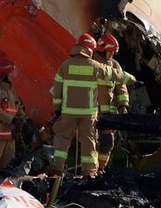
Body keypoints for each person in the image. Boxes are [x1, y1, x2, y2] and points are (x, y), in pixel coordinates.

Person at [49, 34, 106, 179]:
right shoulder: (95, 66)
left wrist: (57, 108)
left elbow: (57, 89)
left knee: (62, 140)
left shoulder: (65, 65)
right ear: (89, 50)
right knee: (89, 142)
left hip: (68, 113)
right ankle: (90, 173)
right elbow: (113, 75)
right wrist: (131, 78)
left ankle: (56, 170)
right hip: (88, 115)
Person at [94, 33, 129, 171]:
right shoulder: (91, 63)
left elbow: (121, 87)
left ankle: (100, 169)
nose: (112, 55)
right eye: (110, 52)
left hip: (108, 114)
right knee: (91, 144)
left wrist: (123, 106)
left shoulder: (115, 65)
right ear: (102, 50)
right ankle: (89, 171)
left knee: (108, 143)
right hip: (92, 113)